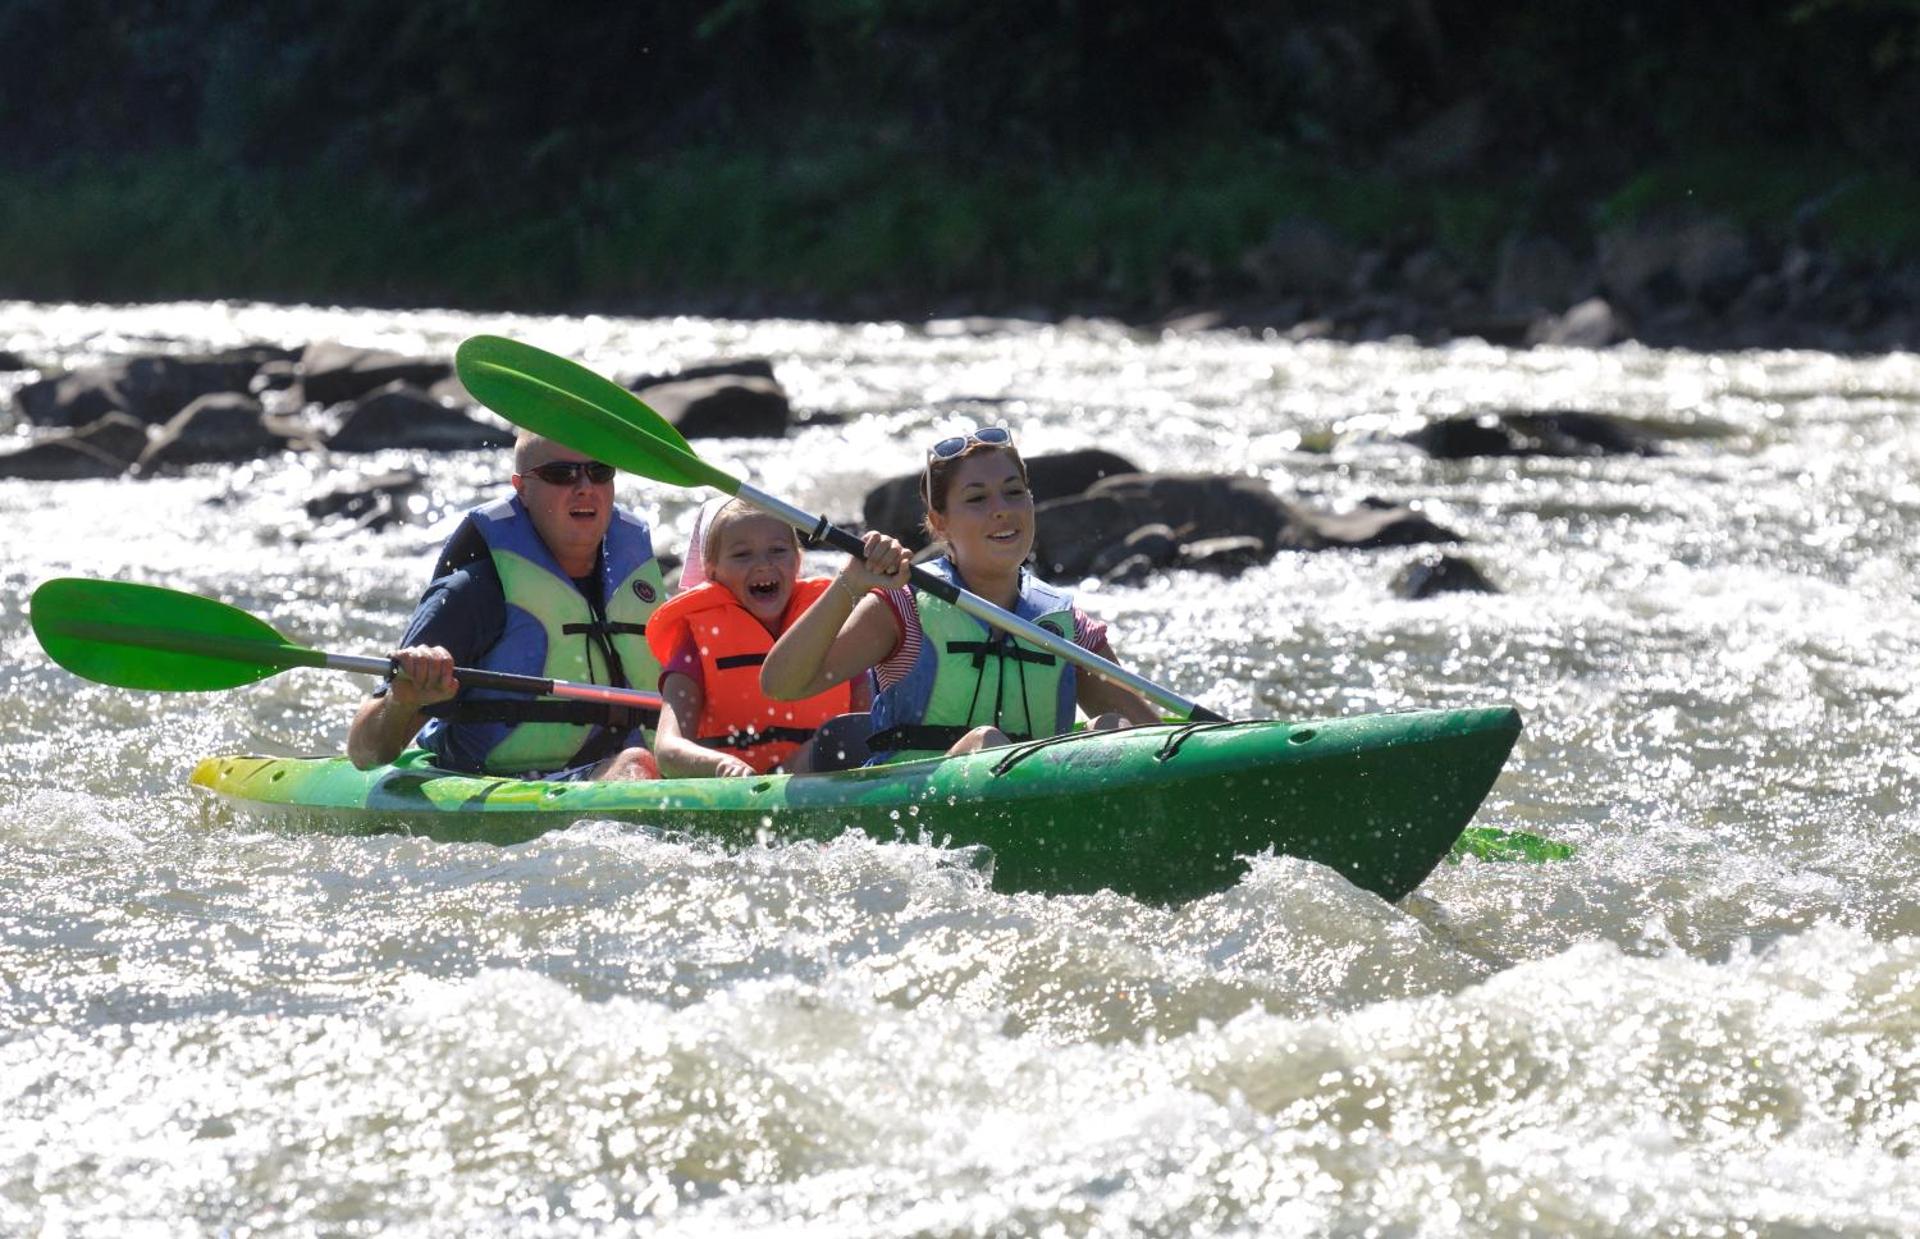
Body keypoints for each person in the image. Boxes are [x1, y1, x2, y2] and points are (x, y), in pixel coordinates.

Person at [759, 426, 1160, 763]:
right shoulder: (903, 607)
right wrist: (849, 585)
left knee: (1115, 732)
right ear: (940, 522)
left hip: (1041, 802)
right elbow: (781, 684)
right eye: (976, 499)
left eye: (1014, 492)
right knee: (986, 744)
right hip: (921, 808)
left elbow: (1157, 741)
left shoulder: (1065, 624)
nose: (1002, 509)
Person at [346, 432, 666, 780]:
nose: (585, 486)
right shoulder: (472, 593)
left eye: (599, 471)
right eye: (562, 474)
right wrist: (401, 701)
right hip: (497, 783)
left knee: (645, 763)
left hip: (620, 776)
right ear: (523, 489)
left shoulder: (640, 583)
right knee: (635, 764)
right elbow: (366, 753)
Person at [644, 498, 863, 777]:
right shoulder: (697, 643)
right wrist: (723, 766)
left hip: (817, 781)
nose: (762, 564)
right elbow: (667, 749)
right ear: (711, 571)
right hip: (733, 791)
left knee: (826, 747)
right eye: (742, 555)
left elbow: (868, 728)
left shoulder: (834, 626)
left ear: (798, 560)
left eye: (778, 550)